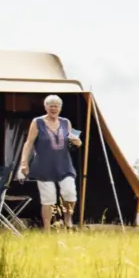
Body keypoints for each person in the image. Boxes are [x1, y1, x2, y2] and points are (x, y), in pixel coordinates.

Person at [16, 95, 81, 229]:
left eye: (56, 105)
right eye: (50, 105)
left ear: (60, 108)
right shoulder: (37, 122)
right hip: (44, 166)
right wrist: (24, 163)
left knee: (70, 193)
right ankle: (47, 228)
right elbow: (28, 143)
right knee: (48, 199)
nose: (53, 108)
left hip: (64, 165)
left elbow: (70, 140)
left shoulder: (65, 122)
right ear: (45, 107)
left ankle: (67, 220)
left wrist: (77, 142)